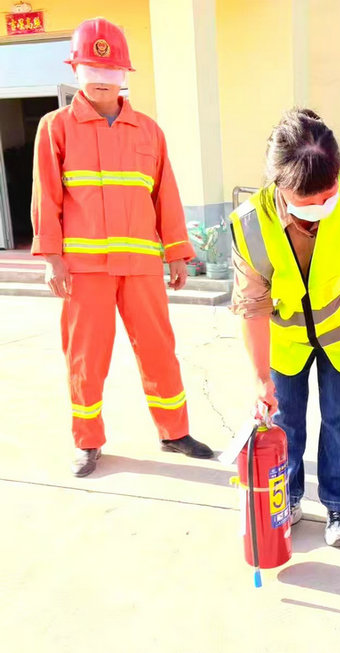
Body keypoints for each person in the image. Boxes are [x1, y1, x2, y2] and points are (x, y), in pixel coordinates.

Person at [31, 17, 213, 477]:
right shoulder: (56, 128)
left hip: (140, 266)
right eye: (92, 71)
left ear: (123, 75)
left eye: (110, 72)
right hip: (85, 269)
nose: (101, 80)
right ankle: (87, 441)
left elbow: (164, 195)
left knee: (159, 350)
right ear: (76, 71)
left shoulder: (148, 131)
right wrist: (52, 259)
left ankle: (174, 432)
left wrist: (176, 253)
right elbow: (46, 196)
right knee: (86, 358)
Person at [230, 108, 340, 546]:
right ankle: (286, 495)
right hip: (286, 338)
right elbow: (252, 306)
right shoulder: (251, 224)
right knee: (284, 420)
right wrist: (260, 377)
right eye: (305, 202)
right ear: (278, 185)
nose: (318, 211)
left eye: (326, 198)